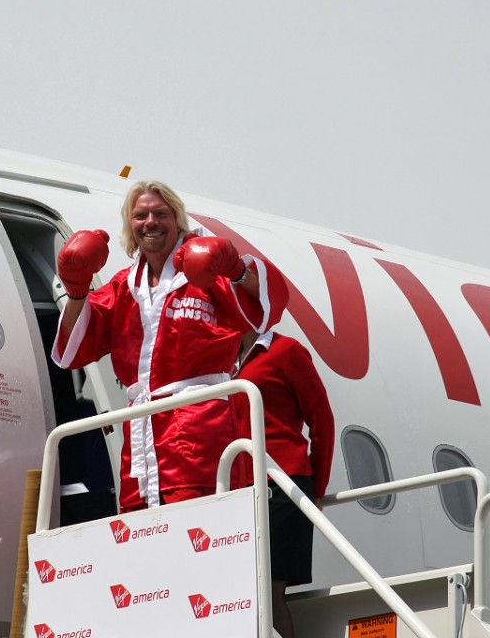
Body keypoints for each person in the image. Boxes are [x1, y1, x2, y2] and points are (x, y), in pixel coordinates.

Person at [52, 181, 289, 512]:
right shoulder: (123, 286)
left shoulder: (207, 275)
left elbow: (267, 308)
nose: (150, 221)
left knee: (199, 524)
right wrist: (76, 291)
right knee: (139, 527)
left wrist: (235, 270)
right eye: (140, 215)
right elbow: (72, 352)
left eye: (160, 213)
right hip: (140, 437)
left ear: (177, 220)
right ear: (130, 226)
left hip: (199, 429)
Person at [231, 329, 335, 638]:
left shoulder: (285, 351)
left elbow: (322, 421)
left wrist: (316, 490)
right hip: (240, 490)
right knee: (245, 596)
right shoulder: (223, 356)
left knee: (268, 593)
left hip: (281, 484)